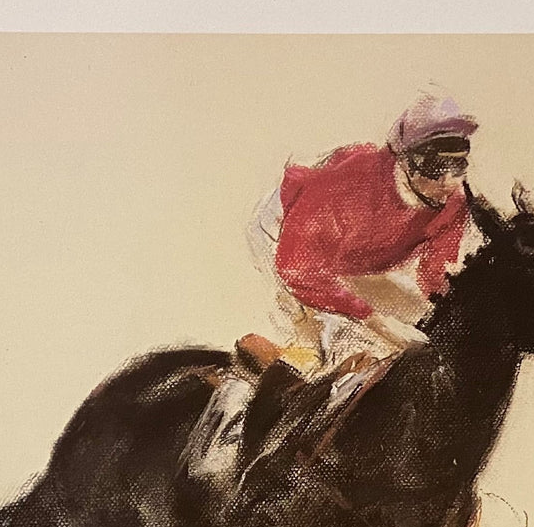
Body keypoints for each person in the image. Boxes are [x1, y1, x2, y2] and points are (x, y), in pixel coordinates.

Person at [186, 93, 477, 479]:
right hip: (287, 241)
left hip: (358, 261)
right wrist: (377, 322)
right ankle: (228, 430)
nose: (449, 184)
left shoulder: (454, 201)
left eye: (458, 168)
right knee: (319, 353)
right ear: (406, 164)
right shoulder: (353, 181)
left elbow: (433, 276)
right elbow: (298, 267)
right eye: (437, 169)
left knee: (411, 336)